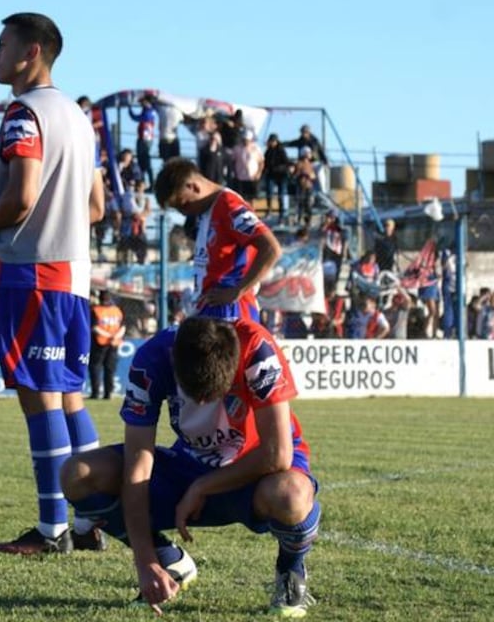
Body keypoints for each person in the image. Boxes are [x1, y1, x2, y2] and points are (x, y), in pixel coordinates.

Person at [61, 316, 320, 617]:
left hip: (256, 471)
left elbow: (277, 454)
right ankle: (167, 560)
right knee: (77, 474)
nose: (201, 404)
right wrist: (145, 563)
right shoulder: (152, 359)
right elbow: (138, 468)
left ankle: (291, 571)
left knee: (291, 494)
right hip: (188, 465)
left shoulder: (257, 347)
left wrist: (202, 487)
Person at [0, 12, 106, 555]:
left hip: (34, 273)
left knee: (39, 398)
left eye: (1, 45)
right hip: (73, 275)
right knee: (69, 396)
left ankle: (52, 531)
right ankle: (92, 521)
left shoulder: (24, 114)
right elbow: (94, 207)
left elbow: (22, 196)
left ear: (32, 53)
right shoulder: (77, 117)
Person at [155, 158, 282, 321]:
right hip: (211, 308)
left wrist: (238, 290)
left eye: (183, 204)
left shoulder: (230, 206)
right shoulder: (207, 211)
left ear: (193, 187)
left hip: (230, 311)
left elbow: (271, 248)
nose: (183, 213)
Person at [88, 290, 124, 400]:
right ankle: (108, 393)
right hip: (113, 342)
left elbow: (94, 327)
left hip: (100, 342)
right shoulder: (117, 310)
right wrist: (115, 336)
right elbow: (123, 327)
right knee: (110, 368)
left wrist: (108, 336)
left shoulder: (95, 310)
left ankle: (96, 393)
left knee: (95, 367)